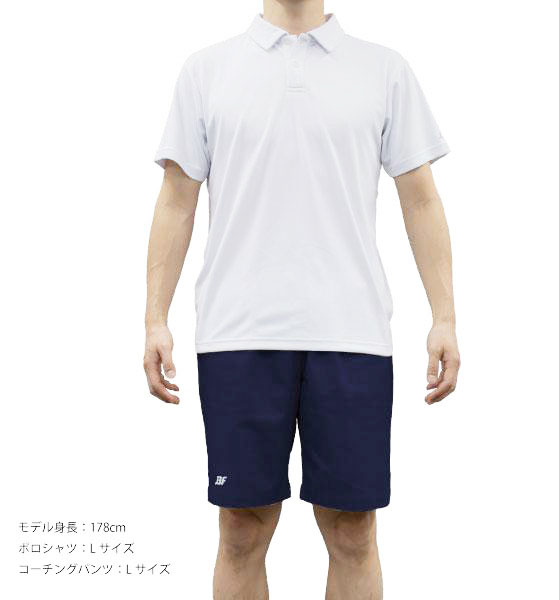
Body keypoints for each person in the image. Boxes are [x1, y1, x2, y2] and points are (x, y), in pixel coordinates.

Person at [144, 1, 460, 598]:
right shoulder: (206, 70)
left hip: (352, 333)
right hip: (238, 332)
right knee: (241, 529)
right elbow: (176, 199)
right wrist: (154, 318)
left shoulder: (384, 70)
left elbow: (420, 198)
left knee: (353, 532)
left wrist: (444, 316)